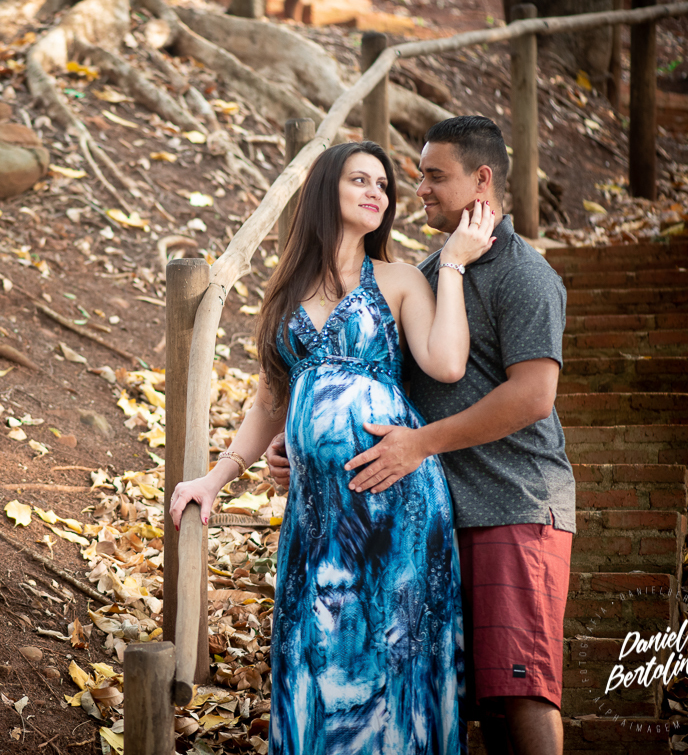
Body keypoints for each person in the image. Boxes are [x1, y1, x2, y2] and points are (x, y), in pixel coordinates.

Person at [169, 140, 497, 755]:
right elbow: (269, 403)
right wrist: (215, 479)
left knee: (394, 665)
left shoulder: (398, 279)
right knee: (311, 655)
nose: (378, 192)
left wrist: (451, 263)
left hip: (395, 506)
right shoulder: (287, 295)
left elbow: (448, 363)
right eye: (360, 180)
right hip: (318, 516)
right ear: (326, 190)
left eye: (383, 185)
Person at [267, 116, 575, 755]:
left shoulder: (525, 274)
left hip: (514, 504)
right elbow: (368, 377)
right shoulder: (430, 271)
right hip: (430, 511)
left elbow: (533, 396)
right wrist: (306, 446)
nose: (420, 189)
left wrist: (422, 443)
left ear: (481, 179)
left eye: (434, 176)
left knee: (520, 688)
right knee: (459, 688)